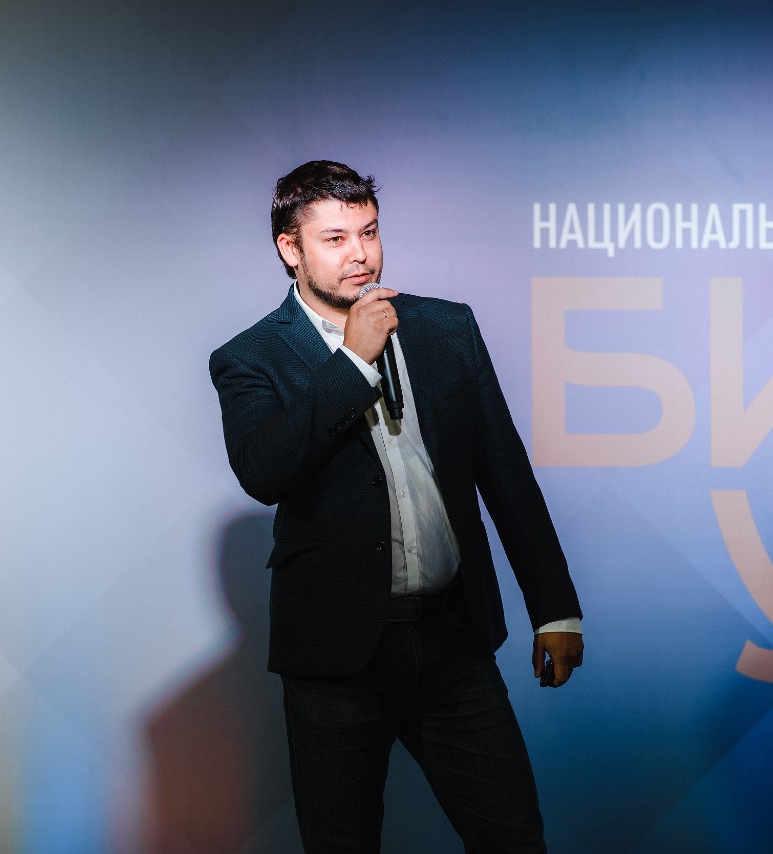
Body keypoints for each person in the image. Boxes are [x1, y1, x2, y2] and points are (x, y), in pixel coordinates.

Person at [209, 160, 584, 853]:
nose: (360, 254)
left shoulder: (446, 328)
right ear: (291, 249)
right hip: (336, 661)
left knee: (514, 839)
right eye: (335, 238)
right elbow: (265, 472)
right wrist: (352, 362)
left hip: (452, 639)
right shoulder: (251, 358)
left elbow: (505, 471)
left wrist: (554, 607)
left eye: (369, 231)